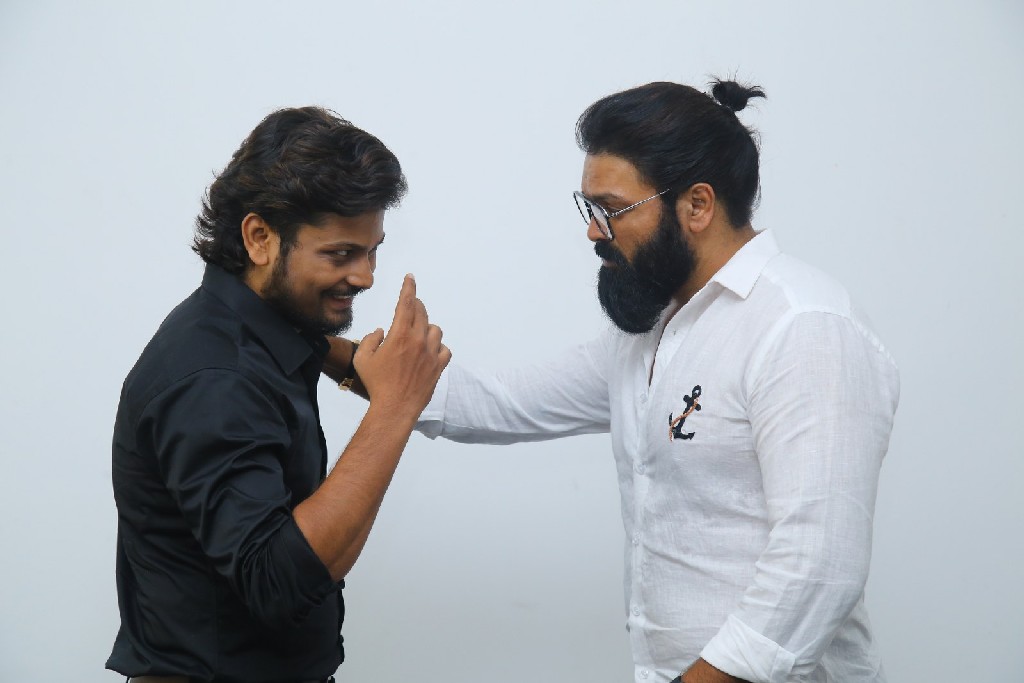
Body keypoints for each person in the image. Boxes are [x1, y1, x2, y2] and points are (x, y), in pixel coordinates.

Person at [368, 80, 898, 682]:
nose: (594, 232)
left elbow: (819, 566)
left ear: (698, 206)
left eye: (611, 210)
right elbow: (494, 404)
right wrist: (310, 343)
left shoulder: (803, 327)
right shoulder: (651, 334)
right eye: (588, 209)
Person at [107, 106, 450, 683]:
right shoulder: (216, 380)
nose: (366, 276)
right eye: (340, 254)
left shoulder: (256, 332)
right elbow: (279, 582)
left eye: (372, 250)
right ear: (260, 238)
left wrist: (354, 366)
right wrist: (393, 407)